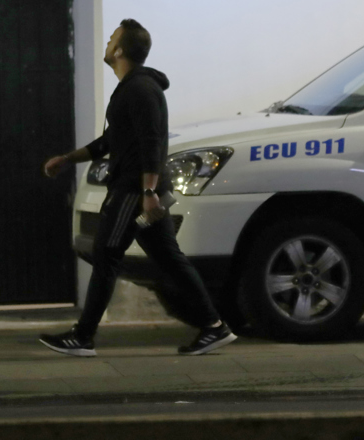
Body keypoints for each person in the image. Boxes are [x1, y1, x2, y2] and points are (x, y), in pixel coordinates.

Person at [39, 19, 237, 357]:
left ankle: (83, 337)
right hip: (140, 190)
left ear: (119, 50)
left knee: (106, 257)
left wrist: (147, 194)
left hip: (133, 191)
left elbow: (151, 142)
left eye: (112, 39)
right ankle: (214, 327)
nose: (107, 44)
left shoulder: (140, 90)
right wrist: (69, 158)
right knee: (170, 259)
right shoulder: (132, 89)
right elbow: (111, 140)